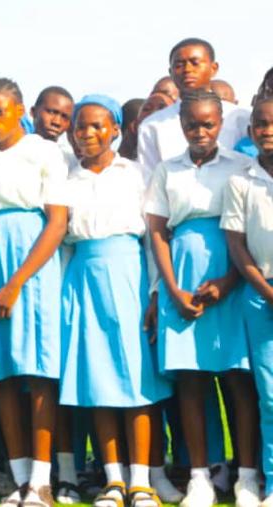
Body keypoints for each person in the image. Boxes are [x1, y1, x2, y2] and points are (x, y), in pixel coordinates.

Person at [145, 91, 259, 507]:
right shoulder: (166, 170)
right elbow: (157, 230)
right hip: (183, 278)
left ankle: (246, 475)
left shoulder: (239, 166)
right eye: (192, 124)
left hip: (232, 275)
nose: (200, 131)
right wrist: (170, 288)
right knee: (191, 379)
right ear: (181, 126)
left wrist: (230, 280)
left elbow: (247, 231)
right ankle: (199, 476)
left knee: (237, 377)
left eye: (208, 124)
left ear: (221, 123)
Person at [58, 96, 172, 507]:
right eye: (79, 127)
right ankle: (113, 479)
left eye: (95, 126)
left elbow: (151, 237)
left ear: (115, 130)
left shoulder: (136, 174)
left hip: (128, 276)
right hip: (83, 278)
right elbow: (64, 243)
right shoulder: (66, 180)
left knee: (136, 377)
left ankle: (142, 479)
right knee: (98, 379)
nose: (85, 134)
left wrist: (155, 290)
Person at [0, 78, 69, 507]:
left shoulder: (44, 151)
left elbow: (57, 222)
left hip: (30, 261)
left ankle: (43, 480)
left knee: (38, 369)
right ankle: (20, 478)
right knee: (1, 372)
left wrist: (16, 283)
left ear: (20, 109)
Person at [222, 94, 273, 507]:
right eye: (259, 123)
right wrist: (266, 291)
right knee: (270, 396)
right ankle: (272, 484)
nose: (267, 129)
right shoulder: (241, 180)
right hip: (262, 297)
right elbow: (237, 247)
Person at [137, 38, 251, 174]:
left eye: (195, 63)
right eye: (179, 65)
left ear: (213, 68)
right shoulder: (153, 125)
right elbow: (149, 179)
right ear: (170, 72)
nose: (187, 70)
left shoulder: (241, 117)